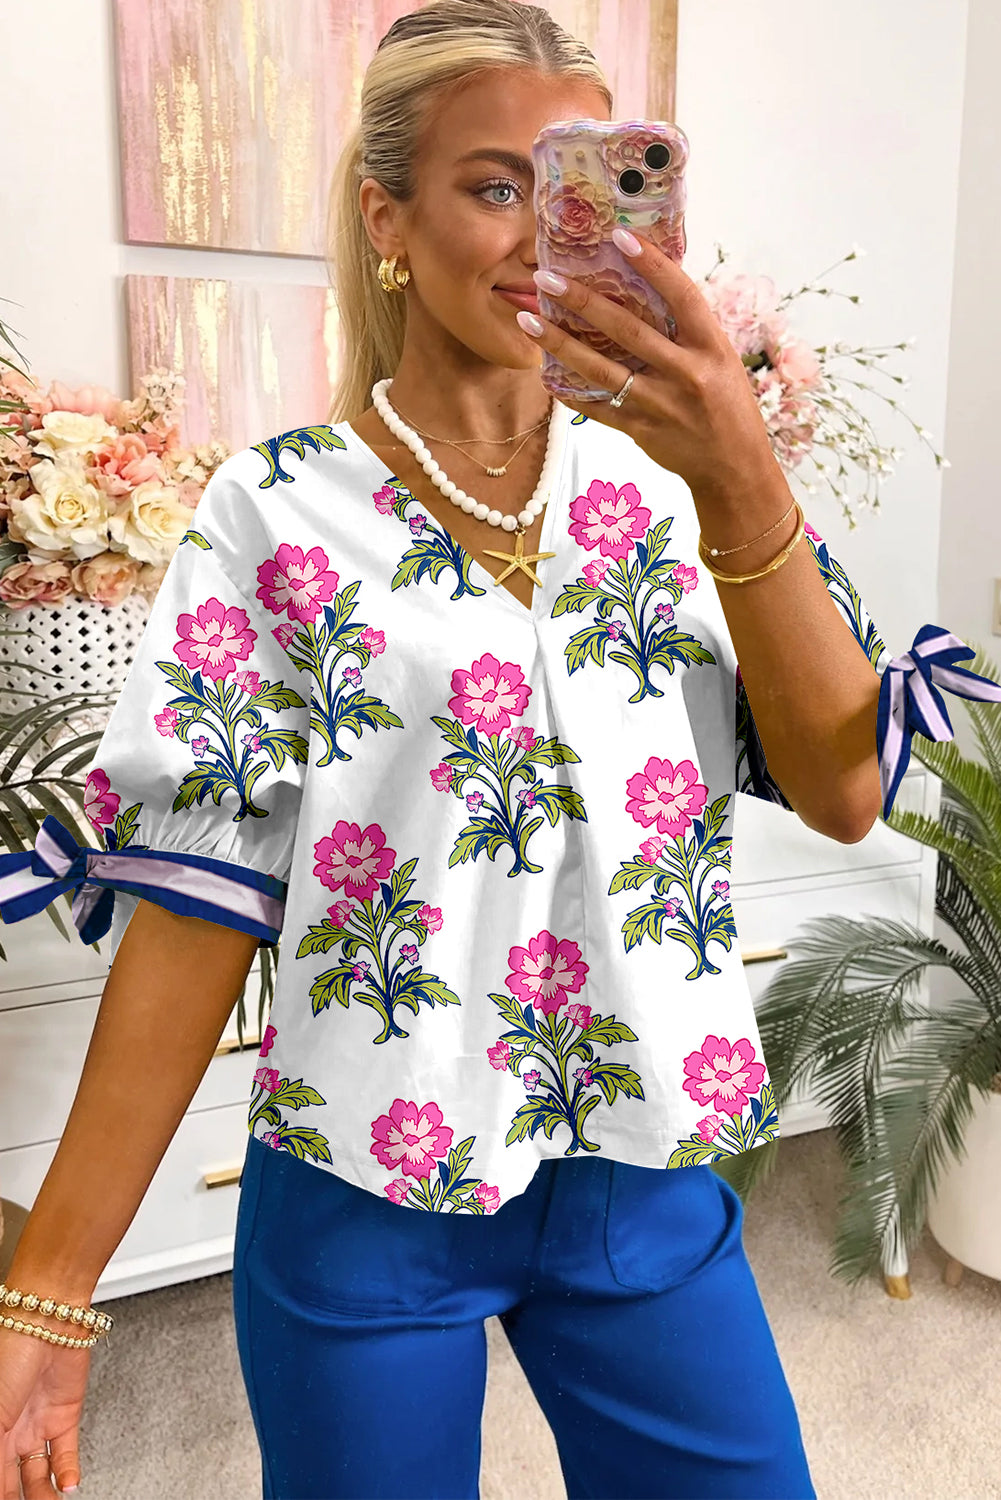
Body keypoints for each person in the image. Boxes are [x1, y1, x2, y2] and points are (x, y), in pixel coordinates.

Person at [2, 2, 990, 1497]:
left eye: (588, 181)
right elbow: (196, 910)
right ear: (386, 218)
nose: (548, 230)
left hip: (643, 1165)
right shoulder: (273, 510)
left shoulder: (684, 484)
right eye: (493, 185)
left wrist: (737, 462)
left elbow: (844, 792)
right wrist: (52, 1291)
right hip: (365, 1173)